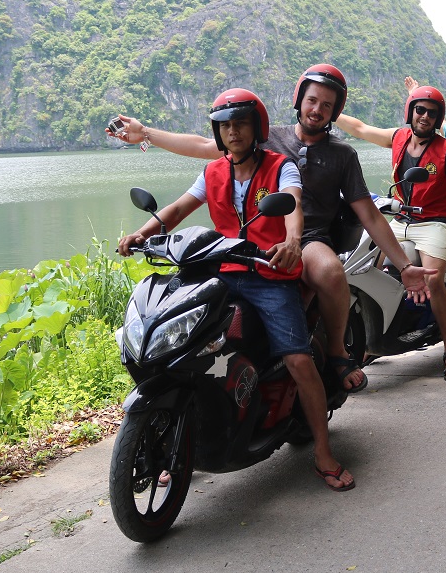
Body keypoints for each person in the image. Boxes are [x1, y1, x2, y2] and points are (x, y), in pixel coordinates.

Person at [109, 64, 434, 396]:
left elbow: (369, 213)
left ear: (335, 111)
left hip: (306, 239)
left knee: (331, 271)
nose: (317, 110)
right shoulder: (267, 137)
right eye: (312, 101)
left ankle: (337, 352)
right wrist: (146, 133)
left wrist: (405, 266)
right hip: (248, 236)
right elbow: (206, 148)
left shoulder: (342, 154)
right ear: (299, 100)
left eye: (326, 105)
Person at [115, 89, 355, 491]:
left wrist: (293, 242)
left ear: (257, 127)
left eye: (241, 123)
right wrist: (142, 233)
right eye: (225, 125)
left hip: (268, 275)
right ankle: (176, 432)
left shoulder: (282, 166)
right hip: (220, 272)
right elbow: (176, 211)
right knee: (180, 344)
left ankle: (323, 452)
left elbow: (293, 205)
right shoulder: (213, 173)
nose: (233, 132)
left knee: (298, 360)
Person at [336, 83, 446, 381]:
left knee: (434, 281)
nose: (425, 116)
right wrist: (330, 111)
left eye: (432, 113)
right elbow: (360, 128)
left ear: (438, 117)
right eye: (420, 110)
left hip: (435, 223)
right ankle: (375, 333)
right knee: (365, 270)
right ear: (411, 111)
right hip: (400, 218)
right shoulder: (398, 138)